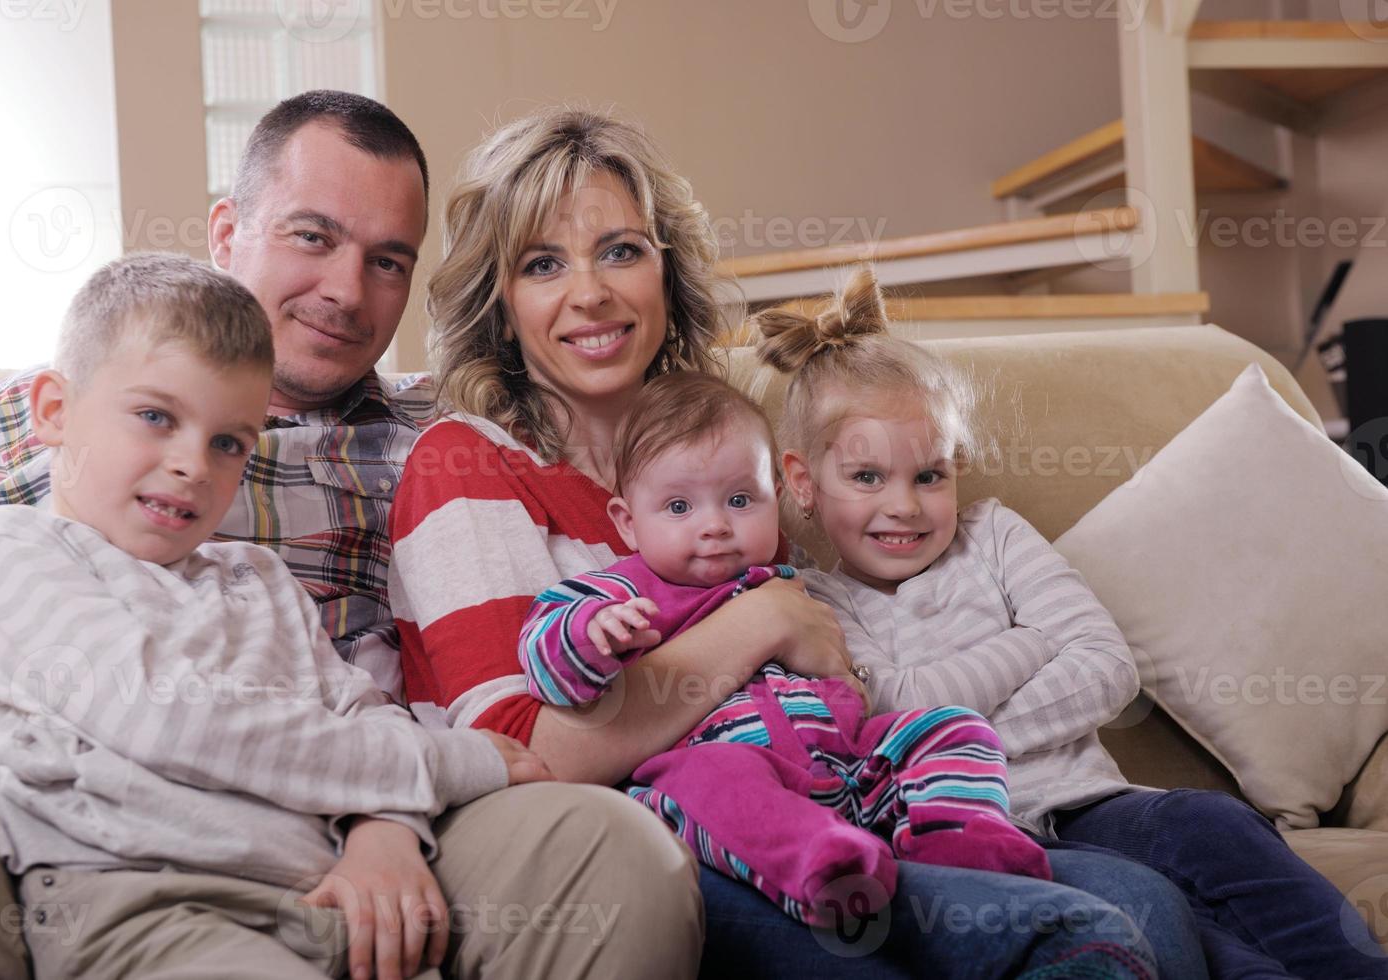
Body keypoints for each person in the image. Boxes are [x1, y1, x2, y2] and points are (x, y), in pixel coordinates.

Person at [387, 105, 1200, 978]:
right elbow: (528, 754)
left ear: (667, 276)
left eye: (621, 250)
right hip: (682, 838)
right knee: (1070, 935)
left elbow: (842, 676)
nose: (590, 292)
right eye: (543, 264)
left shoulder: (713, 446)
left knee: (1147, 902)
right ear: (502, 306)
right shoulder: (464, 462)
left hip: (841, 795)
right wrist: (765, 622)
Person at [0, 91, 702, 980]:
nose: (345, 291)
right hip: (83, 840)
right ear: (227, 233)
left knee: (611, 849)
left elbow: (366, 698)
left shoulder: (433, 444)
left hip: (367, 811)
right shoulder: (37, 420)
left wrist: (383, 824)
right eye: (313, 237)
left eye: (387, 261)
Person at [0, 251, 562, 978]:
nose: (194, 464)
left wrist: (383, 825)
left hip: (323, 889)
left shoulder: (256, 577)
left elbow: (363, 709)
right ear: (55, 412)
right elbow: (173, 720)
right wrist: (449, 762)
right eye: (156, 417)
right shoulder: (1, 551)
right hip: (143, 897)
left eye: (228, 442)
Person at [767, 265, 1388, 980]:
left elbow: (1104, 665)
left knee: (1212, 826)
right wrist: (1029, 644)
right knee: (1180, 933)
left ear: (957, 466)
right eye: (868, 478)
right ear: (805, 483)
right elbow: (893, 710)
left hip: (1095, 804)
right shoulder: (814, 603)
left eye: (929, 475)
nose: (904, 506)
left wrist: (962, 740)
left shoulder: (994, 537)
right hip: (978, 838)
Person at [518, 371, 1054, 926]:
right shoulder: (623, 591)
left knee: (954, 727)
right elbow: (542, 659)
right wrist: (591, 634)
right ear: (628, 523)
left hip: (844, 762)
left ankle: (965, 847)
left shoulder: (797, 582)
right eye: (679, 508)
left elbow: (857, 678)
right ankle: (822, 867)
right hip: (723, 770)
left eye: (740, 499)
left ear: (779, 497)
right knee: (708, 780)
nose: (715, 526)